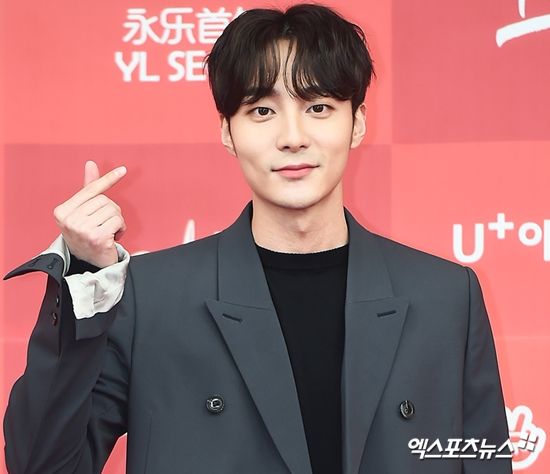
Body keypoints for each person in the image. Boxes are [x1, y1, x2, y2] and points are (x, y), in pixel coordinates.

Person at [3, 4, 511, 473]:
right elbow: (40, 465)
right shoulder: (149, 297)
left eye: (318, 107)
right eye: (262, 111)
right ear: (228, 131)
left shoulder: (447, 297)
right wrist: (84, 274)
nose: (292, 137)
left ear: (357, 123)